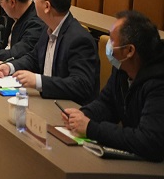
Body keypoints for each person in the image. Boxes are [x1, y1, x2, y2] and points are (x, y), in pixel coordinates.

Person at [63, 10, 164, 162]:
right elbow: (107, 104)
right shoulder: (122, 68)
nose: (108, 45)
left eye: (112, 40)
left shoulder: (158, 83)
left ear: (129, 51)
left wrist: (91, 128)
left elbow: (149, 141)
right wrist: (81, 115)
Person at [0, 0, 99, 104]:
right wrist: (10, 67)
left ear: (47, 6)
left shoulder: (79, 39)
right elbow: (33, 58)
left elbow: (81, 85)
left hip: (68, 108)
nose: (33, 0)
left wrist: (38, 81)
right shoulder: (48, 28)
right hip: (48, 102)